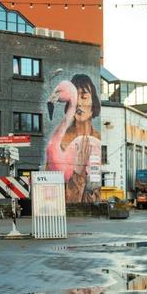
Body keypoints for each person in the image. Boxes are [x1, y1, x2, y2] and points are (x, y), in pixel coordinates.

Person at [61, 73, 101, 203]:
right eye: (73, 98)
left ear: (93, 102)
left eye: (83, 97)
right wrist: (77, 172)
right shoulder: (60, 144)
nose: (78, 103)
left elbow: (97, 196)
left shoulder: (99, 140)